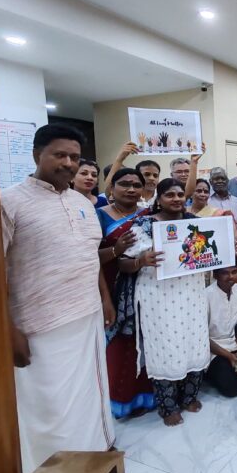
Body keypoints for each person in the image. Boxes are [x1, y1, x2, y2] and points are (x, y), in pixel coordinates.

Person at [1, 123, 115, 473]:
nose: (68, 163)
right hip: (40, 326)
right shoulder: (10, 202)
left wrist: (105, 299)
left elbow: (89, 256)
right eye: (60, 155)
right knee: (51, 409)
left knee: (89, 399)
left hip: (88, 317)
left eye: (75, 157)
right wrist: (8, 329)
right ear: (38, 155)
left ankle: (92, 461)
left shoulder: (81, 202)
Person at [118, 179, 210, 426]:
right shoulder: (143, 225)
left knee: (195, 341)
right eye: (170, 195)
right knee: (165, 347)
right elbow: (122, 262)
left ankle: (189, 396)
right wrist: (140, 261)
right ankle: (167, 406)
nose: (177, 198)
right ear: (158, 199)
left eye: (180, 194)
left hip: (192, 294)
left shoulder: (196, 224)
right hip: (157, 298)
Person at [96, 168, 156, 418]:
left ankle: (147, 396)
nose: (131, 189)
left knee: (146, 342)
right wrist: (116, 249)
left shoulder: (148, 215)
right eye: (124, 184)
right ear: (112, 188)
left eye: (136, 185)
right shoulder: (99, 215)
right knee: (121, 345)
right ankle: (120, 401)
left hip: (146, 289)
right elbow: (90, 257)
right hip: (112, 288)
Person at [188, 178, 237, 278]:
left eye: (206, 191)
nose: (203, 194)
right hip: (190, 263)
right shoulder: (183, 213)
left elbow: (234, 242)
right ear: (191, 193)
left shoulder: (220, 214)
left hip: (213, 262)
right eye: (198, 191)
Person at [205, 266, 237, 398]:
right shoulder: (206, 295)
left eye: (234, 272)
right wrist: (230, 357)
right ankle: (209, 375)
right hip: (214, 350)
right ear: (215, 275)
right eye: (225, 273)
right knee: (232, 389)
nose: (231, 277)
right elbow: (202, 337)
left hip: (236, 345)